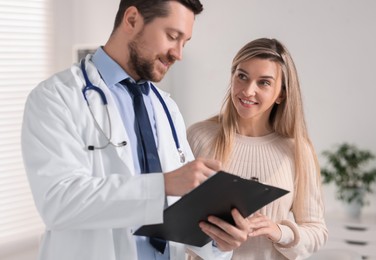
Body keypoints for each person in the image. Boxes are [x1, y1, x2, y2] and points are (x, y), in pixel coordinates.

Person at [21, 1, 250, 260]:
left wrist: (219, 239)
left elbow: (180, 211)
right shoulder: (56, 97)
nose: (178, 54)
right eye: (172, 37)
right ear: (131, 19)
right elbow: (58, 202)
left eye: (184, 42)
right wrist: (164, 184)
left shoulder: (167, 107)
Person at [187, 38, 328, 259]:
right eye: (242, 76)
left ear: (281, 93)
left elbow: (316, 231)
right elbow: (173, 223)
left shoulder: (297, 151)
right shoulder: (198, 136)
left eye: (264, 82)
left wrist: (279, 232)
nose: (248, 91)